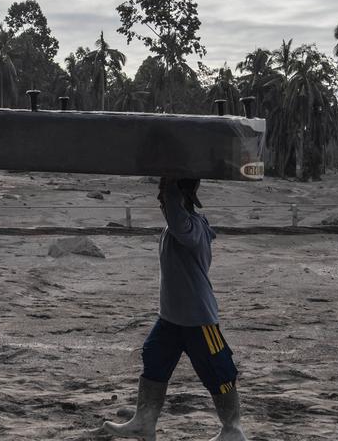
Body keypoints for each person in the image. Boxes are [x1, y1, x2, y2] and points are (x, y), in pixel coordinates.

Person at [102, 178, 248, 441]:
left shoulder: (191, 228)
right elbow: (173, 215)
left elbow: (177, 217)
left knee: (219, 371)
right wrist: (170, 187)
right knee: (154, 360)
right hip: (170, 319)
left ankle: (232, 431)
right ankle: (144, 424)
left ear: (181, 198)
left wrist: (169, 184)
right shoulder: (177, 228)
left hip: (198, 319)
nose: (161, 200)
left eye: (165, 197)